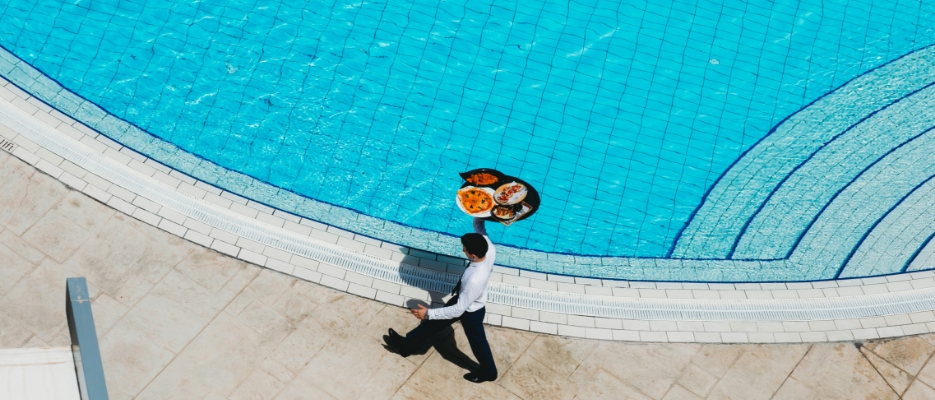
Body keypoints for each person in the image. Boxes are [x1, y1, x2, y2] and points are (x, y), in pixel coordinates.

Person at [384, 217, 498, 383]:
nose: (463, 251)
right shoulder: (489, 250)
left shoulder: (475, 279)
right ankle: (406, 346)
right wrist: (481, 216)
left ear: (473, 255)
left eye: (464, 250)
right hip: (464, 300)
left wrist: (428, 313)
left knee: (478, 342)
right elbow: (480, 229)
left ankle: (489, 372)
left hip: (470, 311)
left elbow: (459, 309)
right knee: (431, 326)